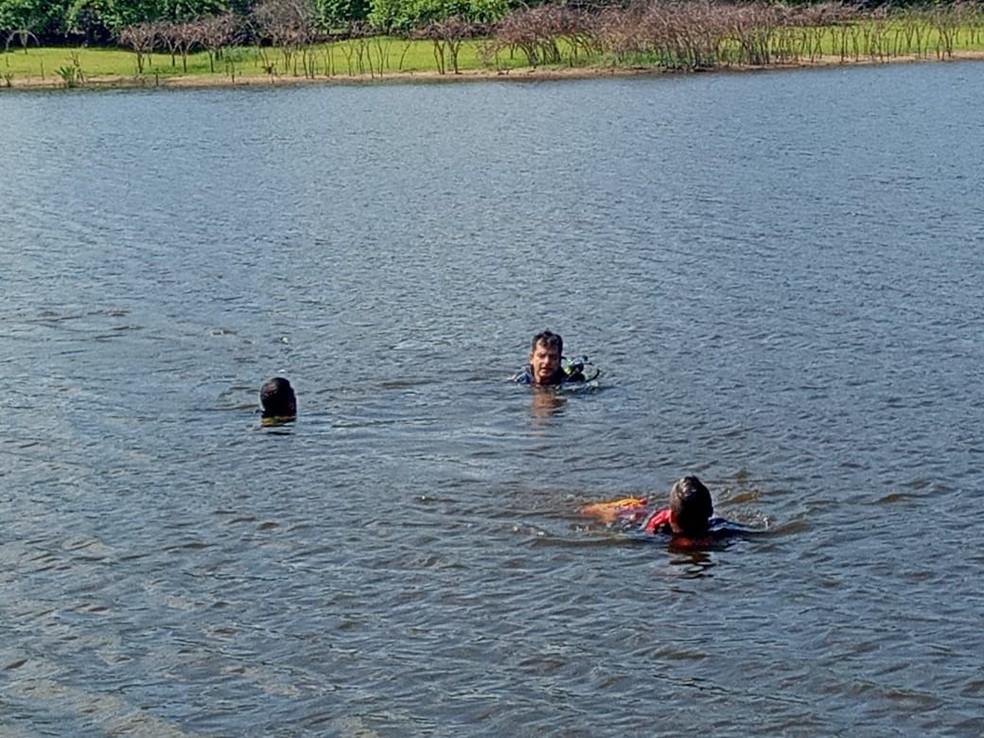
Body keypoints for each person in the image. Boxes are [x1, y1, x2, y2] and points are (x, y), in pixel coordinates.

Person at [582, 476, 731, 545]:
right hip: (646, 519)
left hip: (663, 518)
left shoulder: (650, 542)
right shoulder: (653, 532)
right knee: (619, 515)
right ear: (711, 511)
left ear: (672, 516)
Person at [513, 330, 589, 386]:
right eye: (541, 356)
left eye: (553, 357)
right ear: (531, 359)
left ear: (559, 360)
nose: (547, 362)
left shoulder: (572, 383)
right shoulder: (520, 382)